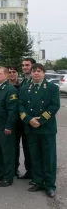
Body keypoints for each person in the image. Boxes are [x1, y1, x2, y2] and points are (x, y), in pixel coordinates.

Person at [19, 63, 60, 198]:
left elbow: (55, 106)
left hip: (46, 129)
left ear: (43, 73)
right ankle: (38, 181)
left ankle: (49, 185)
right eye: (34, 71)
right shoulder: (25, 88)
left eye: (39, 71)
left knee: (48, 158)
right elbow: (21, 106)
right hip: (31, 128)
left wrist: (40, 120)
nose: (36, 73)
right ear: (31, 73)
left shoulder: (52, 88)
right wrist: (29, 119)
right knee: (35, 157)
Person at [18, 57, 36, 182]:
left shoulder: (35, 81)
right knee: (27, 148)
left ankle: (36, 175)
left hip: (34, 122)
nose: (24, 67)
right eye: (23, 65)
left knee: (34, 150)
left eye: (27, 65)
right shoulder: (24, 81)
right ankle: (29, 171)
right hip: (25, 121)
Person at [8, 66, 22, 177]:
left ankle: (15, 168)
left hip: (19, 121)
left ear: (17, 73)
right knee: (7, 146)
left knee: (16, 145)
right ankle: (7, 168)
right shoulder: (4, 86)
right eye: (9, 72)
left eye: (14, 72)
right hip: (6, 121)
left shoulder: (22, 86)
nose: (12, 74)